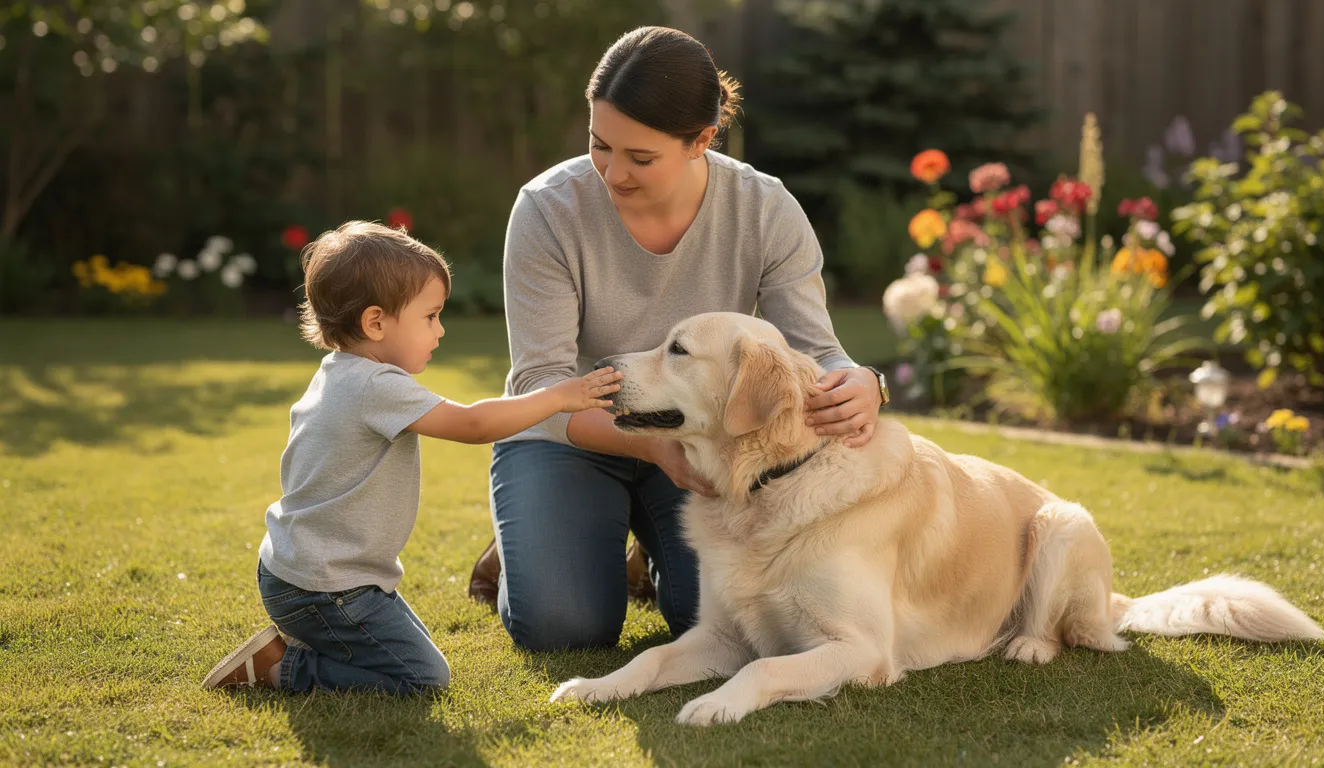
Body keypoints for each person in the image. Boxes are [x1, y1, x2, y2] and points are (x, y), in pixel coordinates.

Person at [473, 26, 890, 652]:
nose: (613, 173)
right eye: (599, 145)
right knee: (565, 626)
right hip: (572, 434)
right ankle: (527, 544)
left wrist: (863, 381)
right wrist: (648, 447)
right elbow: (540, 384)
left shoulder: (766, 211)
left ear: (701, 140)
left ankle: (640, 546)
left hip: (702, 445)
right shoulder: (547, 210)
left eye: (640, 158)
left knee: (714, 626)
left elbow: (815, 350)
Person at [201, 221, 621, 692]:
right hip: (326, 589)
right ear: (375, 323)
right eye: (430, 316)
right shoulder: (375, 386)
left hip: (312, 576)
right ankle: (278, 669)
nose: (441, 330)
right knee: (423, 678)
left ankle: (311, 646)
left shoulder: (342, 373)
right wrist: (558, 397)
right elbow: (474, 425)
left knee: (411, 655)